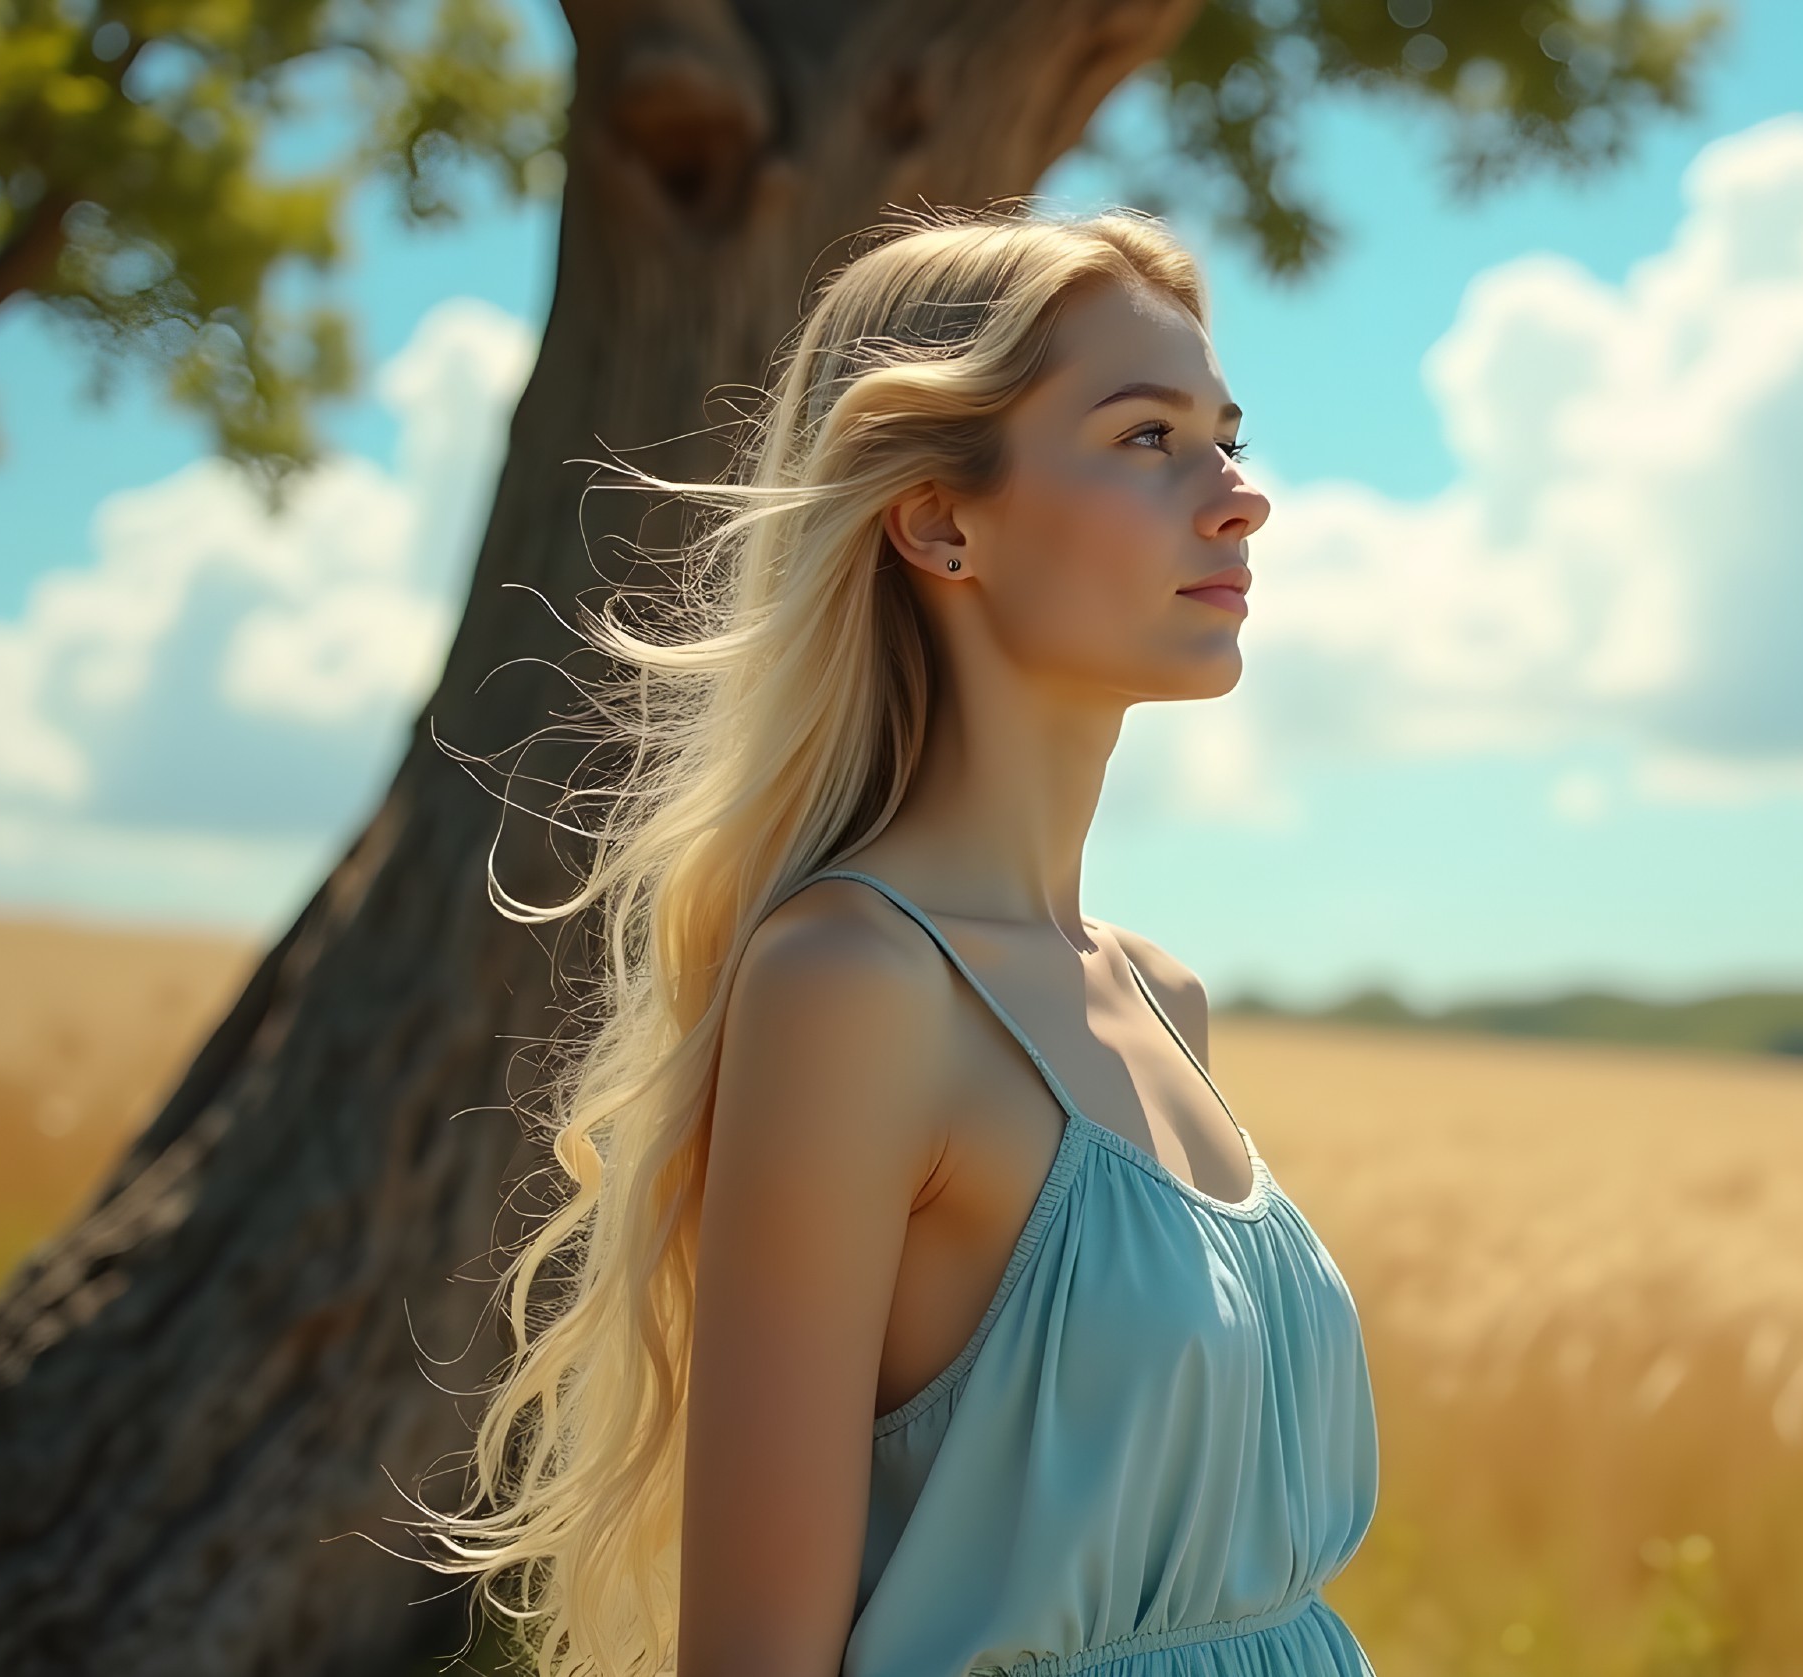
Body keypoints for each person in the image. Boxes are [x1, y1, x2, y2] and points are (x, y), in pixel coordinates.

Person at [410, 204, 1381, 1677]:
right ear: (939, 518)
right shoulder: (855, 985)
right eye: (1146, 437)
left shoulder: (1160, 999)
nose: (1238, 496)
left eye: (1227, 437)